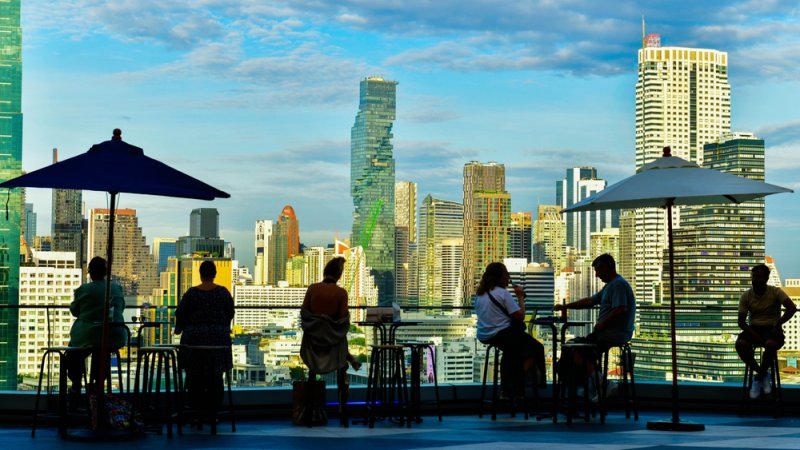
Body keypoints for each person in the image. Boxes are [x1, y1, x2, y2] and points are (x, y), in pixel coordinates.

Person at [554, 254, 636, 395]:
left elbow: (621, 308)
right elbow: (590, 301)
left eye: (598, 270)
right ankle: (591, 386)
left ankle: (600, 384)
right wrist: (565, 306)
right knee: (575, 348)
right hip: (609, 334)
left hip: (612, 335)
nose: (597, 275)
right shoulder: (611, 285)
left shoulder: (618, 285)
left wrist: (603, 323)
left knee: (572, 349)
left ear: (607, 268)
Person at [475, 262, 546, 398]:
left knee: (512, 353)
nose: (508, 278)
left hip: (484, 335)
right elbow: (520, 316)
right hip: (502, 334)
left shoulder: (480, 294)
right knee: (537, 348)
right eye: (506, 275)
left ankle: (508, 389)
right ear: (500, 277)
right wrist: (520, 297)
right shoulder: (503, 293)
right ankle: (515, 383)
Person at [174, 260, 235, 418]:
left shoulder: (191, 293)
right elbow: (230, 313)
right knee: (216, 376)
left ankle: (196, 410)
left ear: (200, 274)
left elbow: (180, 314)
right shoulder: (223, 293)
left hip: (193, 344)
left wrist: (180, 328)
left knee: (194, 376)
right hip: (218, 344)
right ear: (215, 274)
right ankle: (213, 411)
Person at [64, 256, 126, 406]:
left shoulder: (84, 289)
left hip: (88, 336)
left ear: (90, 272)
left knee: (72, 355)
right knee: (102, 353)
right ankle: (98, 386)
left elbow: (75, 311)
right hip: (114, 335)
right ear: (105, 272)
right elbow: (121, 308)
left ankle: (76, 386)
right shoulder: (116, 288)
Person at [736, 263, 796, 399]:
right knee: (740, 345)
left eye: (760, 277)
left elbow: (792, 308)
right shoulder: (746, 295)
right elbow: (741, 322)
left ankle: (758, 377)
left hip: (772, 328)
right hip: (753, 329)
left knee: (770, 344)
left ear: (767, 278)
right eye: (754, 276)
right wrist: (755, 335)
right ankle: (762, 374)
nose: (756, 279)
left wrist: (778, 324)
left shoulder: (775, 292)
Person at [300, 256, 361, 377]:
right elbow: (343, 320)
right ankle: (348, 360)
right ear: (339, 275)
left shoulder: (312, 288)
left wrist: (317, 322)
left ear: (325, 271)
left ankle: (312, 382)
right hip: (333, 340)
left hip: (313, 339)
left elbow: (304, 312)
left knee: (329, 333)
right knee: (341, 336)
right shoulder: (341, 293)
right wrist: (329, 323)